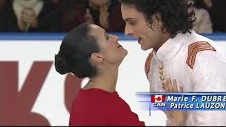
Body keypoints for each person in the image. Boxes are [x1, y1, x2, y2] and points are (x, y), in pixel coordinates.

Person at [118, 0, 226, 126]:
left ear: (157, 19)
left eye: (132, 22)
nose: (127, 31)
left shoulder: (203, 59)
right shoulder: (152, 62)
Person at [54, 22, 184, 126]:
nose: (115, 37)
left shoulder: (88, 99)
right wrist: (177, 118)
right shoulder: (106, 107)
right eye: (106, 37)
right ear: (98, 57)